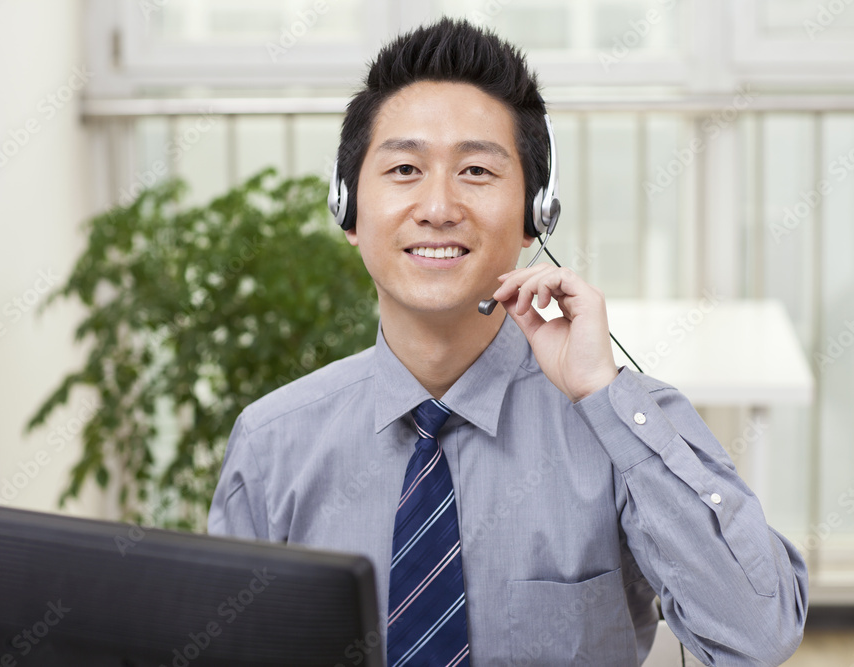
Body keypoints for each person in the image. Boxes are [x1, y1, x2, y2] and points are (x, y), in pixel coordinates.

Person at [208, 17, 808, 666]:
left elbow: (758, 632)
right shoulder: (274, 444)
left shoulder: (620, 426)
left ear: (535, 215)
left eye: (475, 171)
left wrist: (604, 397)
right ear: (348, 208)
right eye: (405, 168)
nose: (438, 206)